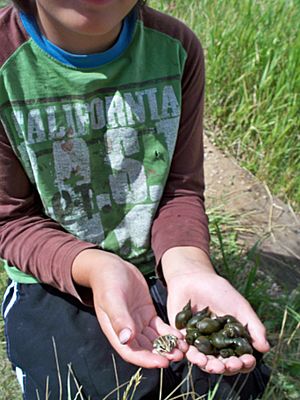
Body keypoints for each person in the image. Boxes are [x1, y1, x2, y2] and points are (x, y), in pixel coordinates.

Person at [0, 0, 270, 398]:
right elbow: (11, 219)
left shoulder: (176, 49)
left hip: (159, 263)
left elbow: (178, 189)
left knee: (236, 381)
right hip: (55, 274)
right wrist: (94, 268)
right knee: (91, 388)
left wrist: (189, 268)